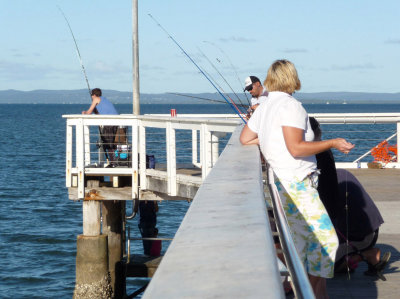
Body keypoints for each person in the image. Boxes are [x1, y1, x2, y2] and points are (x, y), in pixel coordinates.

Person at [240, 59, 355, 299]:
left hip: (280, 183)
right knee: (326, 243)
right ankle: (305, 292)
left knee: (305, 247)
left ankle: (313, 293)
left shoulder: (266, 106)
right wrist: (333, 143)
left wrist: (270, 142)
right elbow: (297, 148)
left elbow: (245, 139)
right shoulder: (291, 107)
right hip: (298, 185)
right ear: (292, 77)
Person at [310, 117, 391, 280]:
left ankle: (365, 255)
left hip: (361, 236)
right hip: (369, 230)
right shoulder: (337, 172)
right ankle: (357, 255)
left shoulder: (323, 183)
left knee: (323, 266)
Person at [82, 88, 119, 164]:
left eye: (92, 95)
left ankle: (113, 163)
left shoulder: (96, 99)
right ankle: (115, 161)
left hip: (109, 123)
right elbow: (101, 113)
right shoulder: (104, 99)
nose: (92, 97)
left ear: (94, 95)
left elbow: (88, 112)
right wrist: (95, 111)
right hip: (115, 122)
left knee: (108, 143)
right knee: (111, 142)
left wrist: (84, 112)